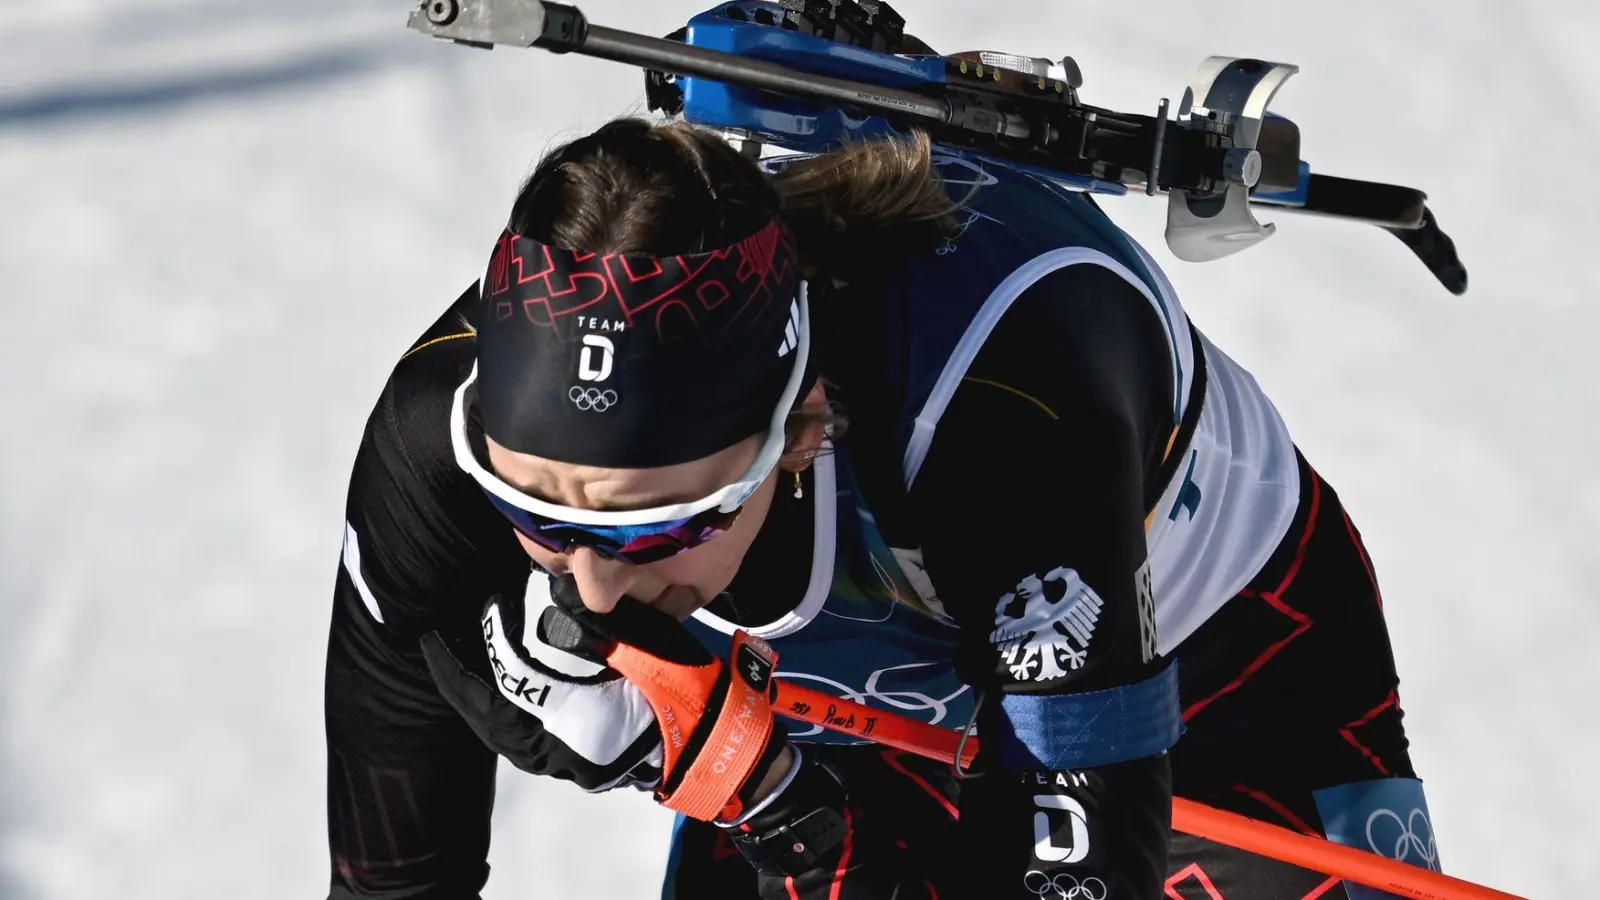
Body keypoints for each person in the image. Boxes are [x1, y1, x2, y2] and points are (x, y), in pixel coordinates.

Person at [324, 115, 1439, 900]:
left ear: (802, 429)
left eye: (658, 520)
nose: (594, 588)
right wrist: (781, 804)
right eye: (541, 515)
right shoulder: (443, 420)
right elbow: (391, 841)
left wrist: (782, 811)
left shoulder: (996, 423)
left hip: (1215, 694)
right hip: (858, 715)